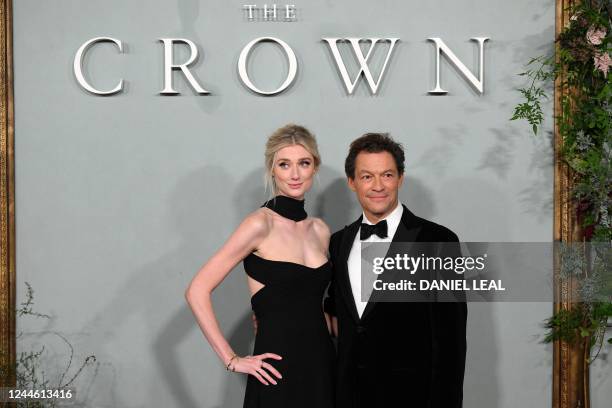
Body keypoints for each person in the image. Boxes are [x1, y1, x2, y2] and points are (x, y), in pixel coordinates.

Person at [185, 124, 334, 408]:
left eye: (304, 163)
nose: (294, 174)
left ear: (314, 168)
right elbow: (197, 290)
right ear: (272, 170)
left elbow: (316, 305)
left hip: (322, 364)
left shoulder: (321, 230)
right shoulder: (259, 224)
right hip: (276, 369)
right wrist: (231, 359)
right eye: (284, 164)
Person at [324, 133, 467, 408]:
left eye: (387, 175)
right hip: (348, 396)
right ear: (352, 182)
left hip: (412, 396)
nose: (378, 186)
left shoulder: (439, 240)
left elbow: (451, 342)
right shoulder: (338, 243)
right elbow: (336, 312)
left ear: (400, 178)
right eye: (367, 177)